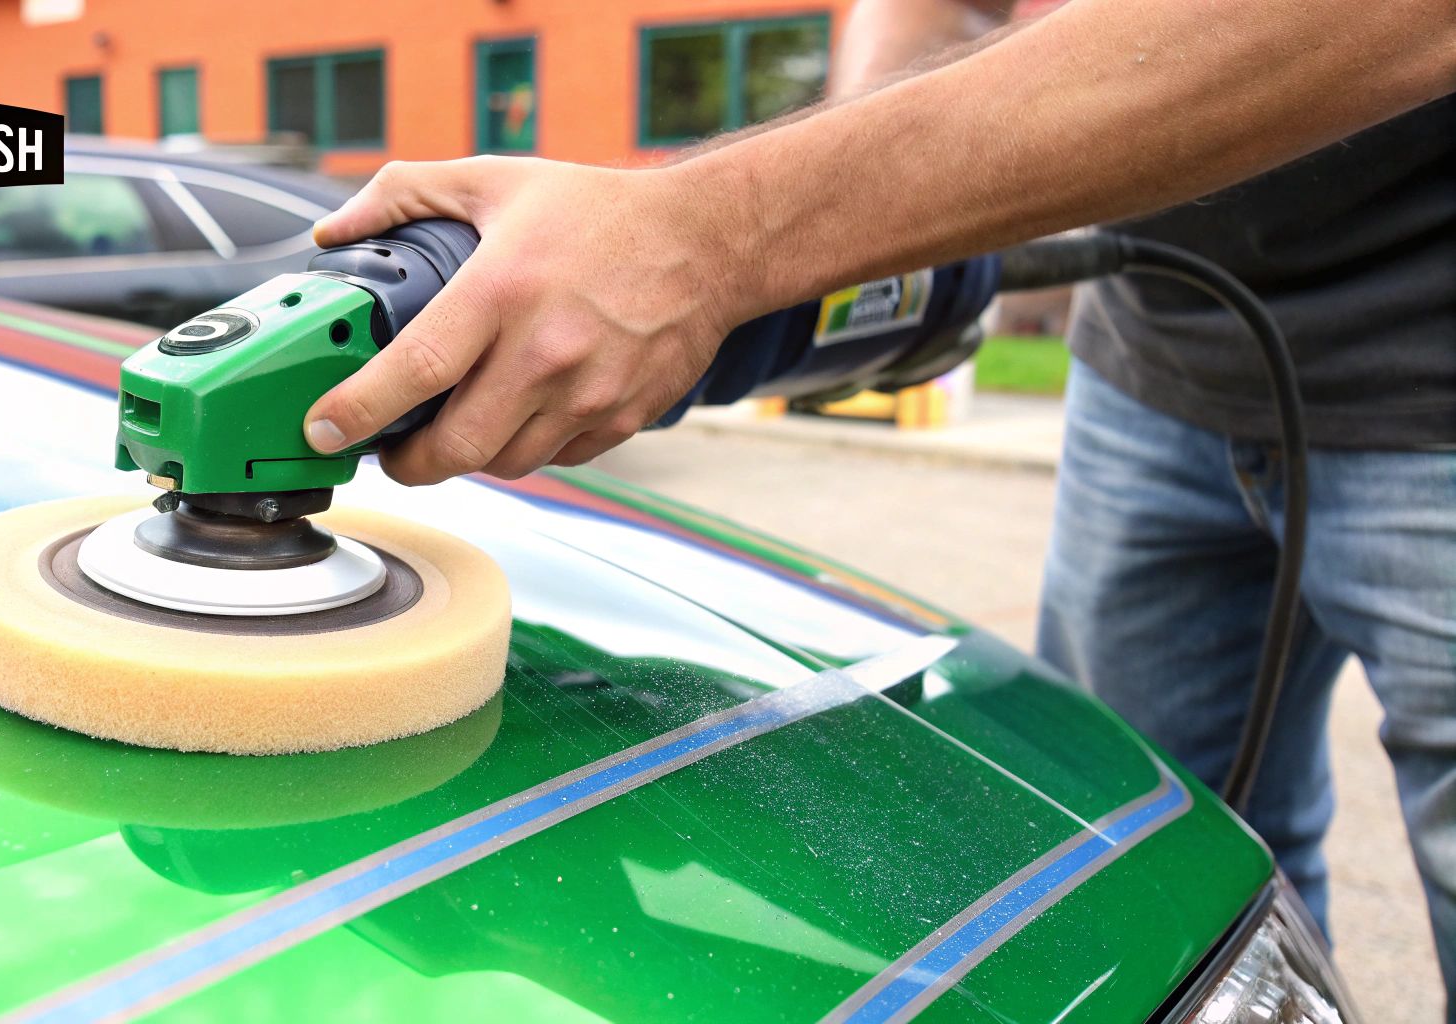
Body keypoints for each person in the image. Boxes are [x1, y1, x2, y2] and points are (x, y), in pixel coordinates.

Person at [301, 0, 1456, 1009]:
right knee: (1175, 871)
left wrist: (715, 232)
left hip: (1433, 371)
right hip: (1154, 365)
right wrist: (863, 240)